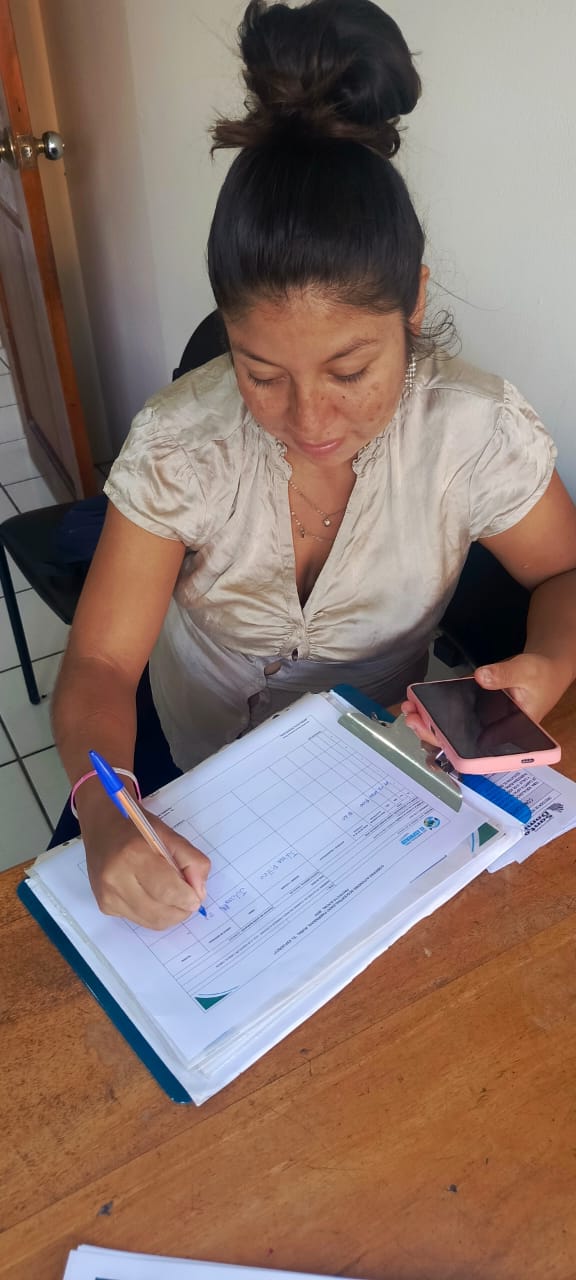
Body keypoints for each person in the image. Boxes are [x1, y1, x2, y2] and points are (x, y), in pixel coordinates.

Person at [52, 0, 576, 930]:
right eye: (261, 374)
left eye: (350, 370)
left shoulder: (475, 432)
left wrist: (548, 665)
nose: (308, 419)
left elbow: (566, 572)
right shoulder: (182, 443)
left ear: (413, 303)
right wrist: (103, 806)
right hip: (188, 768)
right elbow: (98, 658)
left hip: (383, 774)